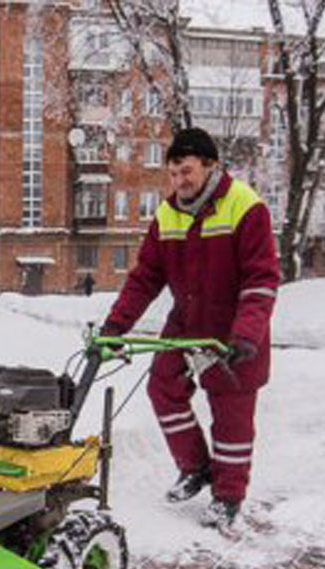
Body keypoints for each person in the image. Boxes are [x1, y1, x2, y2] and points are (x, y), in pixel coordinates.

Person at [100, 127, 279, 531]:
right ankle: (196, 467)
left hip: (232, 330)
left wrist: (246, 335)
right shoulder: (167, 214)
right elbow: (146, 277)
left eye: (186, 171)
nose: (179, 181)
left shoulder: (246, 207)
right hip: (186, 322)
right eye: (173, 174)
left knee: (230, 414)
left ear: (211, 166)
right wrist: (116, 325)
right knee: (163, 387)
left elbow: (261, 279)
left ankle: (228, 497)